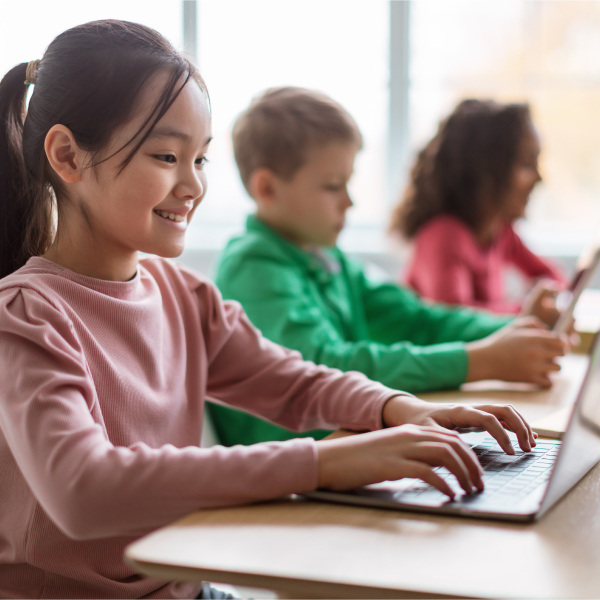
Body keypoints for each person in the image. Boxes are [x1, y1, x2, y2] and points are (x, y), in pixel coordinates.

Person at [0, 20, 540, 600]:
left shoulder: (184, 296)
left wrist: (396, 410)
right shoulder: (26, 316)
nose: (193, 186)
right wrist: (325, 463)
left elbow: (293, 382)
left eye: (201, 160)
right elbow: (85, 494)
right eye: (166, 155)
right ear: (66, 155)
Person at [208, 87, 567, 448]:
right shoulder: (252, 265)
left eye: (348, 183)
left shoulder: (329, 259)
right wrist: (477, 361)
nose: (349, 201)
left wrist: (519, 327)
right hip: (291, 470)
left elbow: (419, 319)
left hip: (345, 445)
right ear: (267, 189)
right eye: (334, 186)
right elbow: (329, 368)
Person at [390, 98, 566, 314]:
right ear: (486, 171)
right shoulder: (443, 236)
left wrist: (541, 302)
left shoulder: (500, 231)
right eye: (526, 165)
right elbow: (456, 321)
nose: (539, 179)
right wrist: (526, 311)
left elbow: (552, 277)